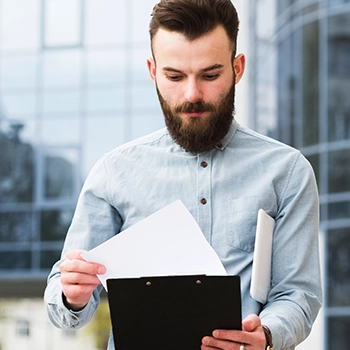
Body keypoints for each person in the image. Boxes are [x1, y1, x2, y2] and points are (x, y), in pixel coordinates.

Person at [44, 1, 322, 349]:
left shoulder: (288, 172)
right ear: (152, 71)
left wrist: (266, 335)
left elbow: (299, 294)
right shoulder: (114, 172)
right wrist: (73, 294)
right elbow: (61, 303)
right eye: (174, 76)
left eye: (210, 75)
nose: (192, 95)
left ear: (238, 68)